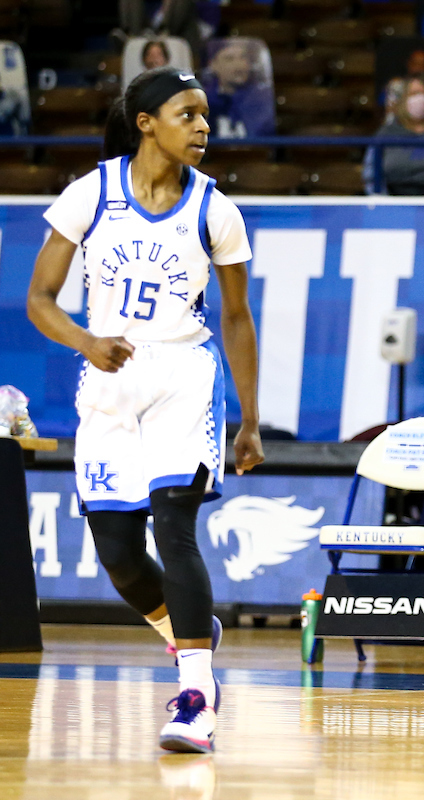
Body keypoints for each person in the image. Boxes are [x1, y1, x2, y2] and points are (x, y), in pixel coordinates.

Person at [25, 66, 263, 751]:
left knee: (174, 527)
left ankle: (196, 695)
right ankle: (186, 630)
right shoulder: (90, 194)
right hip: (108, 374)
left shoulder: (215, 209)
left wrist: (250, 419)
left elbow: (237, 318)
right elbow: (39, 299)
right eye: (188, 114)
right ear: (146, 123)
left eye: (206, 115)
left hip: (183, 375)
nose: (204, 127)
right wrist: (86, 342)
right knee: (120, 556)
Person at [201, 39, 274, 138]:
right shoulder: (204, 101)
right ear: (213, 65)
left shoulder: (261, 100)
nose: (239, 65)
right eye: (229, 59)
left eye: (243, 58)